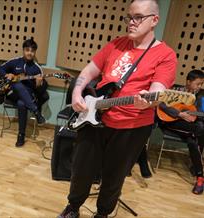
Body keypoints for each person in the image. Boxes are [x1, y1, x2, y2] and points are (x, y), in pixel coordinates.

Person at [58, 1, 177, 217]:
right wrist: (77, 93)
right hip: (94, 118)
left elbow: (158, 90)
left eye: (138, 17)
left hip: (131, 128)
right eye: (129, 17)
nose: (131, 22)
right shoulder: (116, 44)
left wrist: (148, 101)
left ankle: (102, 213)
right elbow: (88, 72)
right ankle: (72, 207)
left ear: (154, 20)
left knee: (114, 176)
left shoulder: (165, 55)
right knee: (81, 170)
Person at [158, 69, 204, 194]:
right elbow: (161, 105)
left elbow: (198, 115)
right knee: (199, 131)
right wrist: (179, 114)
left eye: (201, 84)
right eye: (198, 84)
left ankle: (200, 177)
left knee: (194, 140)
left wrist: (194, 117)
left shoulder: (199, 97)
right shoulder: (176, 91)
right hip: (169, 123)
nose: (200, 87)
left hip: (189, 129)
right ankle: (198, 174)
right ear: (188, 82)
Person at [0, 38, 49, 147]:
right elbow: (0, 68)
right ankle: (36, 112)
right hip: (13, 94)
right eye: (27, 50)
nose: (29, 53)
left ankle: (21, 135)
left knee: (22, 104)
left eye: (32, 51)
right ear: (23, 50)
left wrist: (39, 84)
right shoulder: (15, 61)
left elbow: (40, 92)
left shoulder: (37, 69)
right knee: (17, 84)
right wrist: (7, 75)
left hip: (28, 97)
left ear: (35, 52)